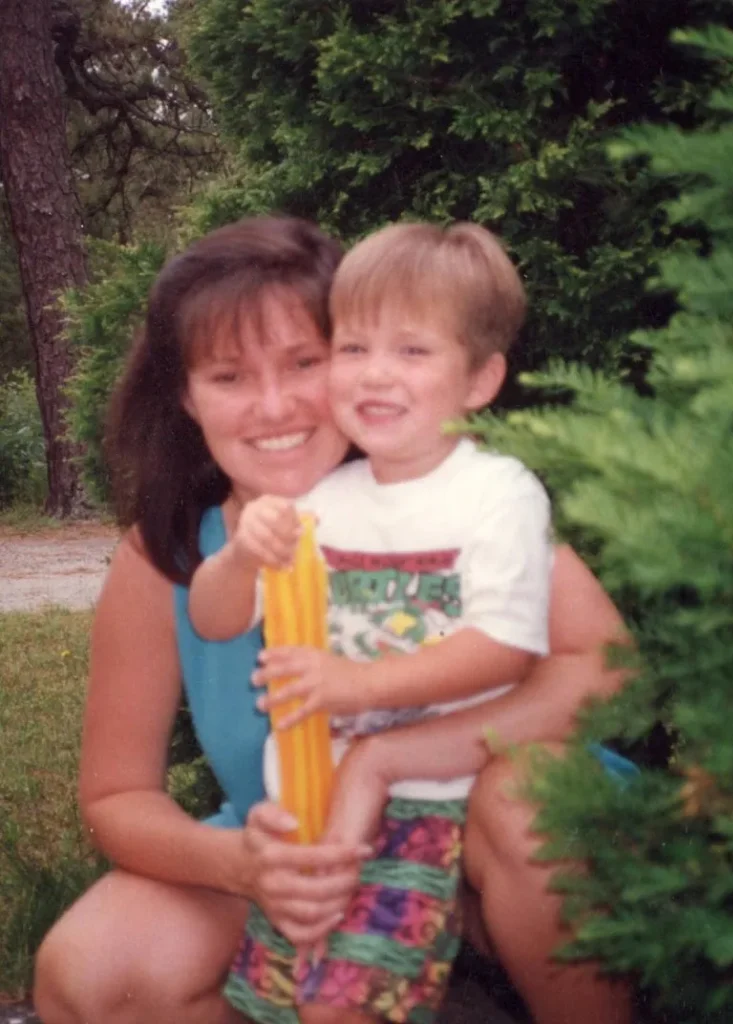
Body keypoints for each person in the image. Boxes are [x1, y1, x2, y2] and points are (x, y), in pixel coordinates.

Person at [33, 215, 632, 1024]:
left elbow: (608, 666)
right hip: (325, 848)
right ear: (185, 395)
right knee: (95, 969)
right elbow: (116, 796)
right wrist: (243, 863)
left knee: (524, 804)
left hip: (503, 847)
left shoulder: (436, 497)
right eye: (230, 376)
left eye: (305, 362)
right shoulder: (169, 555)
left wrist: (397, 756)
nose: (272, 405)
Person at [188, 222, 554, 1023]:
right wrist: (240, 561)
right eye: (352, 349)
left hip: (425, 807)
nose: (376, 374)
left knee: (346, 1006)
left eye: (412, 352)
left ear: (481, 380)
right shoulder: (327, 502)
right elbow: (215, 620)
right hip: (309, 811)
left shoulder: (498, 494)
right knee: (274, 1005)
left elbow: (506, 648)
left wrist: (359, 683)